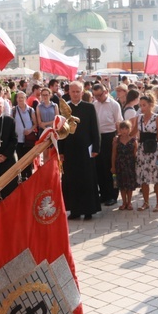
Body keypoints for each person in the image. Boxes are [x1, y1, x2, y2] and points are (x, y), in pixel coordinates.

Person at [59, 81, 101, 220]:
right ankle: (75, 210)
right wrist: (61, 151)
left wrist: (96, 147)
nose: (75, 94)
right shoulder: (65, 109)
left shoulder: (89, 108)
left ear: (82, 92)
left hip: (86, 149)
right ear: (69, 92)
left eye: (78, 91)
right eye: (73, 92)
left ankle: (88, 210)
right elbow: (61, 132)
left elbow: (95, 128)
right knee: (72, 180)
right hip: (70, 150)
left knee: (87, 179)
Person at [131, 93, 158, 212]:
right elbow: (134, 131)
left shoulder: (157, 117)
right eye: (140, 105)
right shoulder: (139, 117)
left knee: (157, 177)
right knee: (143, 177)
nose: (142, 107)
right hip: (142, 150)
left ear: (150, 105)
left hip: (154, 149)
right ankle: (145, 202)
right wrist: (121, 135)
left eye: (144, 105)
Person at [92, 83, 123, 207]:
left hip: (110, 137)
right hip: (98, 138)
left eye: (99, 95)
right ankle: (103, 194)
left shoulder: (114, 104)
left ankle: (112, 195)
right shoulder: (94, 105)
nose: (98, 98)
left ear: (105, 92)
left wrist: (118, 137)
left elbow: (119, 122)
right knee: (99, 167)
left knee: (110, 167)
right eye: (95, 96)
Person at [111, 120, 137, 211]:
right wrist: (113, 166)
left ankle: (129, 202)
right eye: (122, 128)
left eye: (126, 128)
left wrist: (136, 166)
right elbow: (114, 154)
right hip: (120, 165)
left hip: (130, 164)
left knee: (130, 185)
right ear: (119, 130)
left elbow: (135, 154)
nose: (124, 131)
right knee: (121, 185)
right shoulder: (116, 140)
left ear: (130, 129)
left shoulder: (133, 140)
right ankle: (124, 202)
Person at [12, 91, 37, 181]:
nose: (20, 99)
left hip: (28, 139)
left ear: (25, 99)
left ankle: (30, 176)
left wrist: (30, 130)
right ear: (16, 99)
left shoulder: (30, 110)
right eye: (19, 97)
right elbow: (11, 124)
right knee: (20, 158)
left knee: (29, 159)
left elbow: (35, 123)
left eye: (22, 97)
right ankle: (23, 176)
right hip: (18, 140)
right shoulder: (14, 110)